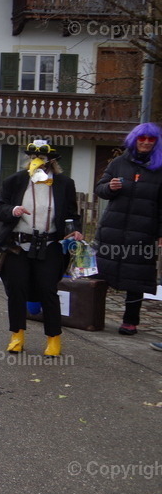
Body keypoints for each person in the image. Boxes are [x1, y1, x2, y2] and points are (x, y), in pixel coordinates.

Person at [0, 141, 83, 356]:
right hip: (19, 244)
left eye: (44, 159)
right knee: (16, 289)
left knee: (47, 289)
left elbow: (72, 214)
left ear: (52, 161)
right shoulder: (16, 181)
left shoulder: (64, 183)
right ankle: (17, 335)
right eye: (35, 157)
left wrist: (75, 230)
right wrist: (13, 210)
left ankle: (53, 338)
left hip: (50, 244)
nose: (40, 162)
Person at [93, 123, 162, 336]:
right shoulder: (119, 163)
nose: (146, 142)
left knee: (137, 276)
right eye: (142, 138)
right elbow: (100, 189)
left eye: (151, 139)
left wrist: (160, 233)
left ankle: (130, 321)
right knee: (102, 274)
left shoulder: (160, 167)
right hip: (113, 228)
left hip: (143, 231)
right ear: (134, 139)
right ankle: (93, 315)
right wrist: (109, 187)